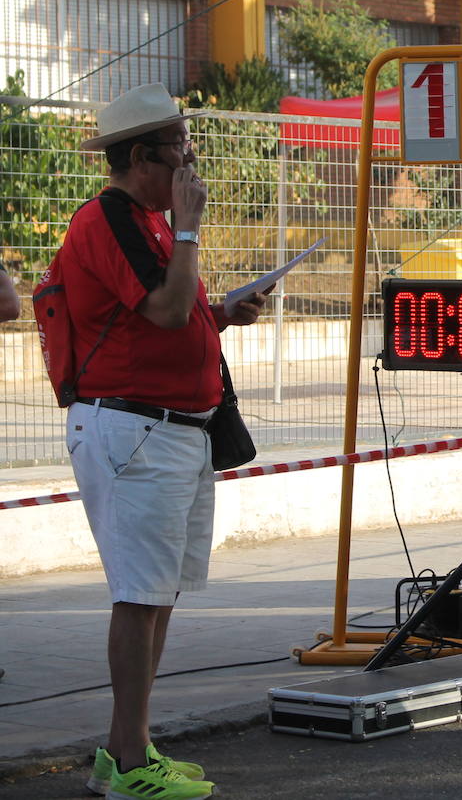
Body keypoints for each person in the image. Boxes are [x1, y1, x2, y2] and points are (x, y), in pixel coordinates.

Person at [62, 83, 270, 799]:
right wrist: (189, 230)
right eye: (179, 148)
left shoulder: (150, 221)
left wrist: (224, 311)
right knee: (139, 595)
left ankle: (128, 747)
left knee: (160, 592)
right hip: (135, 430)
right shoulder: (110, 218)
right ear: (139, 157)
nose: (189, 161)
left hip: (176, 429)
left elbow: (177, 310)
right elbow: (165, 306)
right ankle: (127, 763)